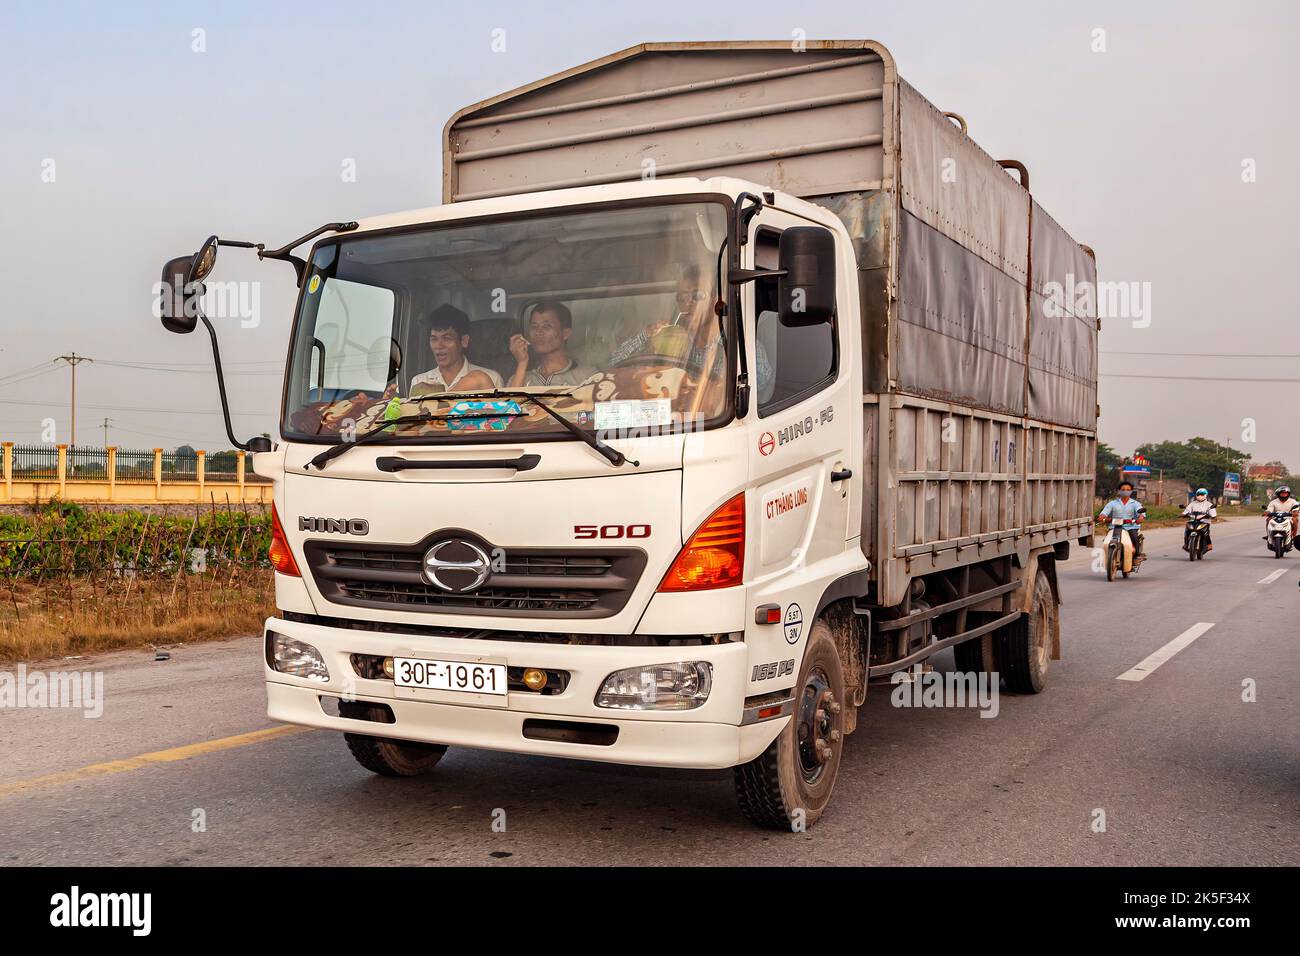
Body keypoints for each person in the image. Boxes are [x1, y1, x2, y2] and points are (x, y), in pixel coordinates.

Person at [410, 304, 503, 393]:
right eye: (434, 339)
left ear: (464, 341)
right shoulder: (420, 381)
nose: (439, 345)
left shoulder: (492, 378)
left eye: (447, 338)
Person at [506, 301, 596, 387]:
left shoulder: (588, 376)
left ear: (565, 333)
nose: (538, 332)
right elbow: (508, 403)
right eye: (534, 326)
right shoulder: (519, 378)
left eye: (547, 326)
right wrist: (522, 362)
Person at [1098, 481, 1147, 570]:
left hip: (1130, 528)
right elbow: (1104, 513)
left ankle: (1136, 556)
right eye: (1123, 489)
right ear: (1119, 491)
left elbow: (1141, 512)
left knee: (1134, 538)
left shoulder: (1135, 504)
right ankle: (1109, 557)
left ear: (1131, 491)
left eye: (1128, 490)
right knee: (1106, 541)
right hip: (1114, 527)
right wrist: (1102, 517)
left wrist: (1140, 517)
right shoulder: (1112, 503)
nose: (1125, 491)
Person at [1182, 487, 1217, 552]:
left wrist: (1211, 516)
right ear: (1196, 495)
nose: (1200, 496)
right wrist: (1183, 514)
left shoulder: (1209, 505)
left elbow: (1213, 514)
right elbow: (1186, 511)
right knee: (1187, 531)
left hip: (1204, 522)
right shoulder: (1192, 503)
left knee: (1206, 533)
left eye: (1202, 494)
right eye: (1198, 494)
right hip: (1193, 521)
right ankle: (1186, 544)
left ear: (1206, 495)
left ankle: (1209, 545)